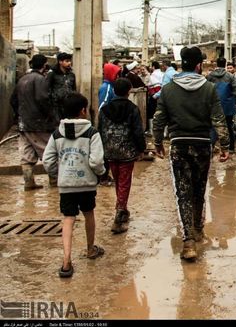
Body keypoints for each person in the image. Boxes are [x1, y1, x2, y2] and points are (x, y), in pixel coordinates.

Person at [153, 46, 230, 262]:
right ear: (198, 65)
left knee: (182, 191)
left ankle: (188, 241)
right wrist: (225, 146)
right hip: (202, 145)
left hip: (178, 144)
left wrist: (158, 142)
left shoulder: (168, 89)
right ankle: (197, 229)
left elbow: (159, 119)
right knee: (199, 189)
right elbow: (218, 119)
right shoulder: (209, 88)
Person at [42, 92, 106, 278]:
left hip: (66, 185)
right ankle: (90, 249)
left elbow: (47, 161)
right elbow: (96, 162)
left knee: (68, 219)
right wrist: (101, 173)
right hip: (86, 184)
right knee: (89, 215)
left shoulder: (57, 134)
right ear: (83, 111)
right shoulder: (92, 133)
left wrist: (58, 174)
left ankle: (66, 261)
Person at [98, 78, 146, 234]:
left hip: (110, 151)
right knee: (124, 181)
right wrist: (141, 149)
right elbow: (138, 132)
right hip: (127, 152)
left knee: (118, 180)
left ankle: (122, 207)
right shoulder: (132, 109)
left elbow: (100, 130)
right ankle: (120, 212)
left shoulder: (104, 109)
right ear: (128, 91)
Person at [10, 54, 56, 190]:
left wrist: (19, 115)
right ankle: (54, 182)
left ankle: (29, 183)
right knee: (49, 152)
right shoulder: (40, 79)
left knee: (26, 155)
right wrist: (51, 116)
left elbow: (13, 101)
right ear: (44, 65)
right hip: (39, 124)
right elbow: (43, 99)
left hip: (23, 124)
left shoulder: (22, 79)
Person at [207, 57, 236, 153]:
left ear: (216, 64)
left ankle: (211, 146)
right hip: (228, 107)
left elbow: (205, 90)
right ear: (225, 64)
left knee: (213, 127)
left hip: (214, 106)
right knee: (229, 127)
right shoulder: (230, 76)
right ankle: (231, 148)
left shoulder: (210, 76)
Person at [47, 52, 76, 126]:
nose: (69, 63)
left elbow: (73, 89)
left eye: (70, 61)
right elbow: (47, 88)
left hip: (68, 104)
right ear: (60, 62)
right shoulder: (52, 74)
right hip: (56, 105)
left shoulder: (71, 75)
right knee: (57, 126)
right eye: (67, 61)